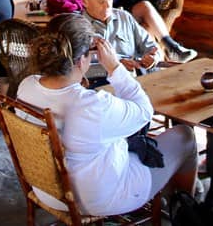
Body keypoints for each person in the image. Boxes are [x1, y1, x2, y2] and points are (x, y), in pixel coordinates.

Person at [17, 12, 198, 217]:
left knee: (136, 143)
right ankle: (185, 210)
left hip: (47, 191)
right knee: (185, 137)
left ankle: (169, 193)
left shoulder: (26, 86)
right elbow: (144, 112)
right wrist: (114, 67)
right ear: (81, 60)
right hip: (97, 199)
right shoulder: (90, 105)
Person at [80, 0, 162, 72]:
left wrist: (154, 57)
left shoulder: (124, 16)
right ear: (85, 2)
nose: (108, 5)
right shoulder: (77, 27)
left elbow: (151, 46)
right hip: (102, 80)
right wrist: (115, 67)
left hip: (137, 75)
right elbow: (73, 69)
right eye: (101, 1)